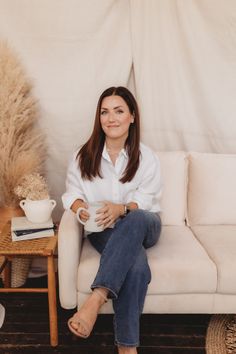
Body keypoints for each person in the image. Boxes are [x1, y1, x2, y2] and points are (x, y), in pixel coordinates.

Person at [62, 86, 162, 354]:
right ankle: (127, 348)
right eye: (105, 112)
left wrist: (122, 209)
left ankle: (97, 297)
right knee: (137, 265)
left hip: (144, 226)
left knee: (138, 216)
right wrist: (80, 207)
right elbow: (71, 193)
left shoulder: (146, 157)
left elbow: (149, 199)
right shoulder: (83, 155)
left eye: (119, 111)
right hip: (103, 230)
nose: (111, 118)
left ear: (132, 117)